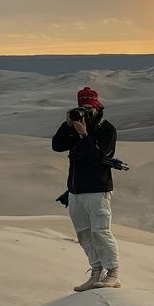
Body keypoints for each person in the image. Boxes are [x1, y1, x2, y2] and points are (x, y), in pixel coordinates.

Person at [52, 86, 121, 291]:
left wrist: (83, 136)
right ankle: (96, 272)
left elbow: (96, 158)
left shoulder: (107, 130)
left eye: (89, 108)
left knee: (101, 232)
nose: (85, 112)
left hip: (97, 190)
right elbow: (57, 146)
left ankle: (113, 273)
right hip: (75, 192)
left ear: (97, 107)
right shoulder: (75, 127)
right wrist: (67, 126)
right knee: (84, 233)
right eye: (82, 107)